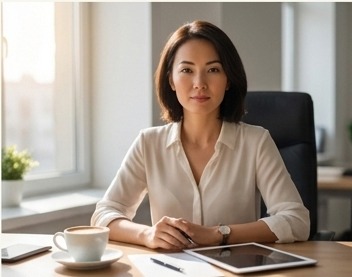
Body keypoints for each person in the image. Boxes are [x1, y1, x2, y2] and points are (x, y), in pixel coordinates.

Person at [91, 20, 310, 250]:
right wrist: (147, 235)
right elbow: (104, 215)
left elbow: (296, 220)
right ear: (171, 81)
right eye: (186, 70)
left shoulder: (255, 142)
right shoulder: (149, 144)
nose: (199, 83)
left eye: (213, 70)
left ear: (228, 81)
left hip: (235, 270)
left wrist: (219, 234)